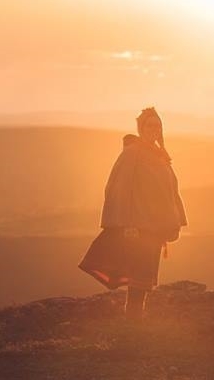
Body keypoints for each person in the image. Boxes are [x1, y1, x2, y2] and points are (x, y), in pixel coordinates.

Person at [79, 107, 187, 320]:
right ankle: (134, 316)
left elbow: (171, 190)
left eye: (157, 126)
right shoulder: (132, 153)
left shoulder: (159, 155)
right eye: (149, 125)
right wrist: (126, 224)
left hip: (155, 226)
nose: (154, 130)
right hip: (138, 226)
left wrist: (174, 220)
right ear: (141, 128)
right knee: (140, 270)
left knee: (146, 270)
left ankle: (136, 315)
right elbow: (118, 188)